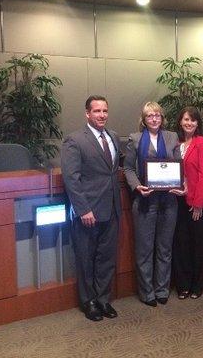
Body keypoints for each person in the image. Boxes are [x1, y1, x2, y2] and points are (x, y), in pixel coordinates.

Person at [61, 95, 122, 321]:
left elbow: (112, 172)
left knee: (106, 258)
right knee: (86, 259)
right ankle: (89, 302)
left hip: (112, 208)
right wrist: (83, 209)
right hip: (88, 211)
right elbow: (71, 178)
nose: (102, 115)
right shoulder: (74, 140)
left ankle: (103, 299)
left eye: (105, 111)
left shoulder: (114, 136)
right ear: (87, 113)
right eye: (97, 111)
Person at [123, 102, 181, 307]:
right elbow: (128, 169)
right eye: (149, 116)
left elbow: (178, 166)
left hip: (169, 200)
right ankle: (147, 292)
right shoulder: (135, 139)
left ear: (162, 118)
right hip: (145, 200)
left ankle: (162, 289)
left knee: (164, 248)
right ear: (144, 119)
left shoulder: (172, 137)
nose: (154, 119)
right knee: (144, 250)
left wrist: (179, 184)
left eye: (157, 115)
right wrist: (137, 187)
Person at [173, 106, 203, 299]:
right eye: (185, 119)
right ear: (180, 122)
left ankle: (197, 285)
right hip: (178, 201)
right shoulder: (176, 143)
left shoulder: (202, 143)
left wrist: (197, 203)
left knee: (197, 245)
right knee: (181, 244)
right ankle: (183, 285)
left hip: (199, 203)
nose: (188, 123)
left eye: (192, 120)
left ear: (197, 123)